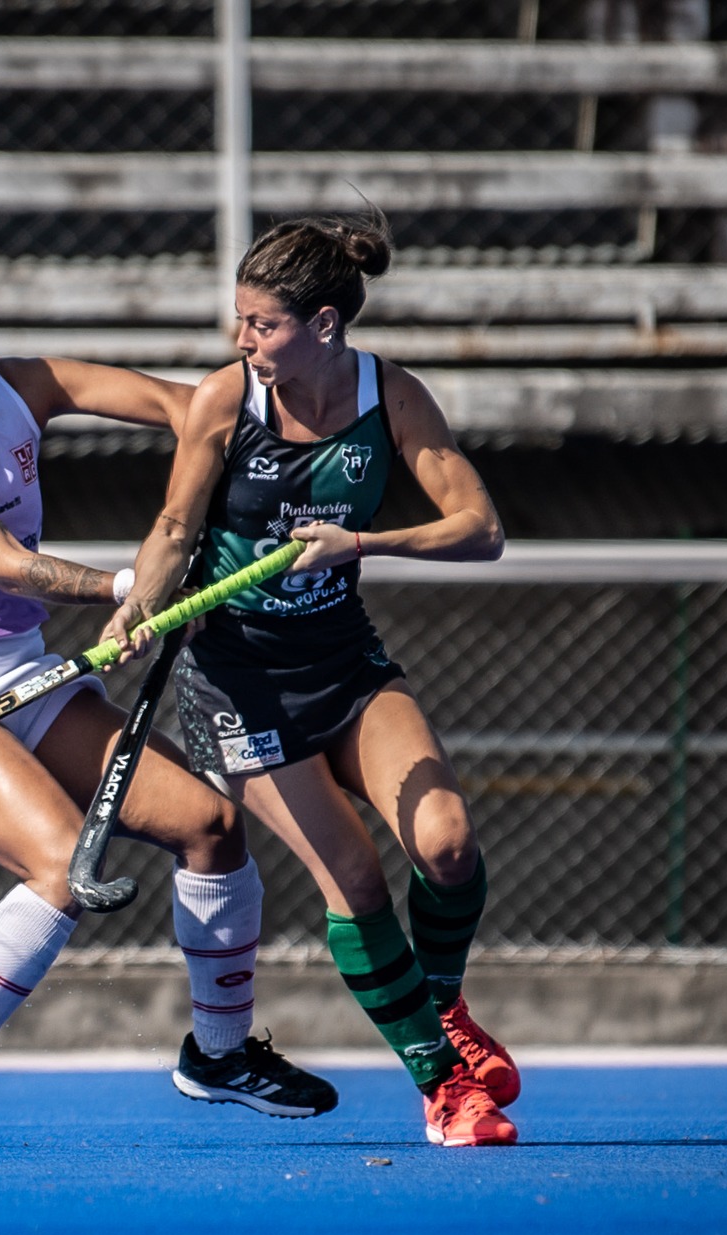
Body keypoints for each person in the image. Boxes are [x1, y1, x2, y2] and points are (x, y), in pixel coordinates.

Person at [0, 208, 335, 1148]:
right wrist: (132, 585)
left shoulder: (21, 387)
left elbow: (185, 405)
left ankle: (221, 1053)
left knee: (210, 826)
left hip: (31, 678)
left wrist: (255, 447)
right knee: (60, 864)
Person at [107, 214, 522, 1146]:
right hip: (239, 681)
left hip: (343, 661)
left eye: (261, 324)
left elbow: (480, 529)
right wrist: (135, 606)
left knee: (447, 844)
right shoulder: (226, 401)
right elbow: (176, 529)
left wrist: (360, 541)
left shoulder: (393, 397)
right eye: (240, 319)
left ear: (324, 324)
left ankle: (438, 1005)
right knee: (358, 881)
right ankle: (444, 1087)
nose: (240, 340)